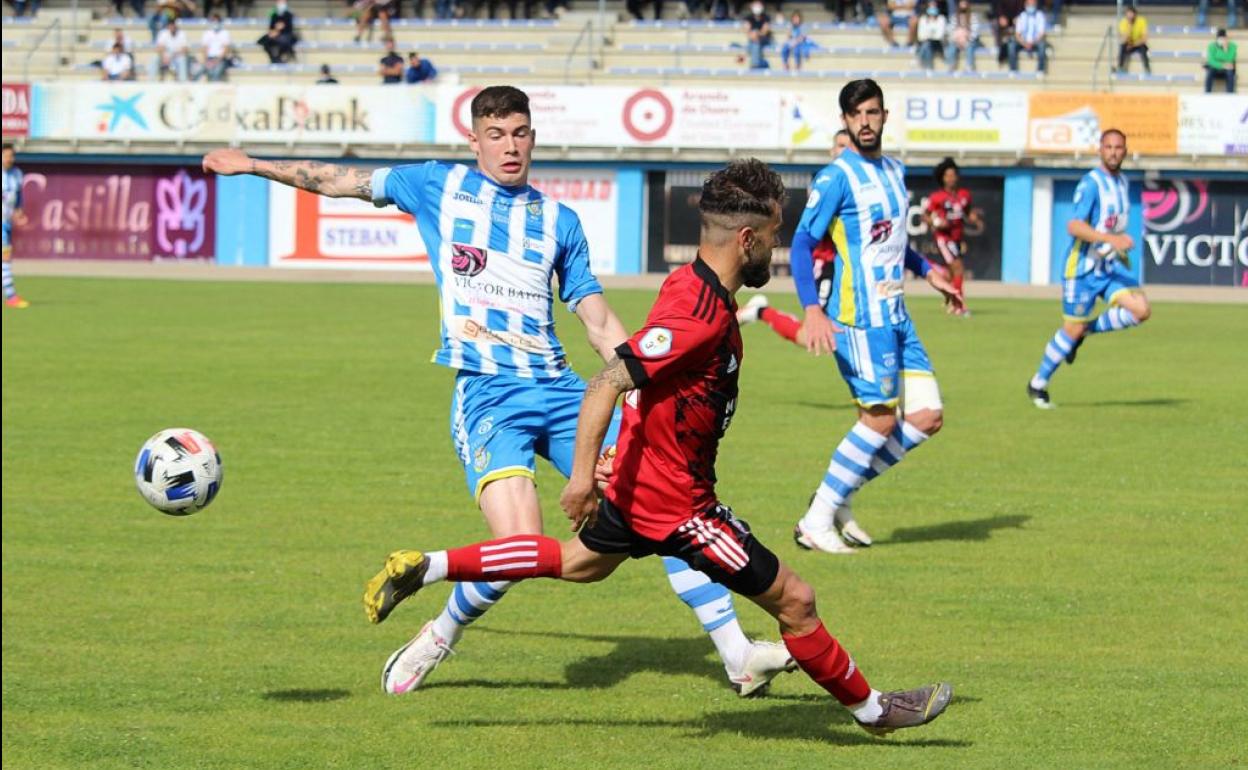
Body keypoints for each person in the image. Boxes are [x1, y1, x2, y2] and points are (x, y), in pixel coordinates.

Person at [202, 86, 795, 698]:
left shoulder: (559, 222)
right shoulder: (436, 186)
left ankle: (736, 654)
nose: (509, 146)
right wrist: (253, 165)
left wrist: (642, 384)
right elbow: (339, 179)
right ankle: (440, 634)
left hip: (561, 390)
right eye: (496, 134)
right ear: (475, 140)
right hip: (489, 396)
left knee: (662, 498)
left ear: (532, 137)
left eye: (519, 133)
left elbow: (596, 320)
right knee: (520, 545)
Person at [360, 158, 954, 737]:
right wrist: (581, 478)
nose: (775, 250)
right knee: (796, 599)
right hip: (678, 509)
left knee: (575, 565)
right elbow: (607, 381)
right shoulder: (700, 317)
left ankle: (431, 564)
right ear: (746, 239)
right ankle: (873, 711)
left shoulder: (688, 282)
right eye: (772, 238)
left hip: (640, 487)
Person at [790, 79, 962, 554]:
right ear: (845, 122)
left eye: (872, 112)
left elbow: (892, 241)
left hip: (898, 314)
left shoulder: (893, 170)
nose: (865, 122)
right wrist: (812, 310)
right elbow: (803, 243)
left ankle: (837, 493)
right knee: (880, 421)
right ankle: (816, 519)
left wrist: (929, 272)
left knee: (927, 416)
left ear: (884, 116)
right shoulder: (836, 177)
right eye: (855, 115)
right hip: (860, 317)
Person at [1027, 129, 1151, 409]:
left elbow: (1110, 225)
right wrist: (1112, 240)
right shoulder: (1091, 184)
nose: (1114, 152)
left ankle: (1086, 331)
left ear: (1125, 150)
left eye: (1119, 147)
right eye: (1108, 147)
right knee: (1071, 329)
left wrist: (1116, 248)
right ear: (1100, 150)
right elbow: (1074, 225)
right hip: (1081, 271)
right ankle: (1038, 384)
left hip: (1107, 268)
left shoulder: (1122, 183)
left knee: (1141, 310)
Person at [738, 130, 852, 345]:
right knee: (815, 337)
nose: (844, 151)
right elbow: (807, 237)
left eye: (848, 146)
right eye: (840, 145)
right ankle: (761, 312)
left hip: (852, 267)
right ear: (832, 150)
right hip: (829, 264)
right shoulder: (829, 182)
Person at [925, 157, 982, 316]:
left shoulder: (964, 195)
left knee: (951, 273)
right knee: (958, 268)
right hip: (944, 238)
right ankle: (959, 305)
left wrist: (974, 219)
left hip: (957, 238)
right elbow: (925, 216)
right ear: (942, 178)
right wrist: (936, 222)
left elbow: (967, 212)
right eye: (947, 175)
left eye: (953, 175)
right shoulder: (937, 197)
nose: (951, 178)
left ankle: (950, 299)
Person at [2, 145, 29, 309]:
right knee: (5, 259)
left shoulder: (17, 174)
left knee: (5, 258)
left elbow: (18, 197)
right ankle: (11, 296)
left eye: (11, 156)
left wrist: (19, 211)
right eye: (6, 155)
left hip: (7, 222)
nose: (9, 159)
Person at [1008, 0, 1047, 73]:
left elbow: (1041, 33)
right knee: (1011, 45)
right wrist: (1025, 43)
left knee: (1042, 46)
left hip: (1035, 41)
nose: (1031, 6)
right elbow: (1017, 34)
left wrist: (1033, 42)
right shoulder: (1021, 16)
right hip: (1023, 42)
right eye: (1029, 4)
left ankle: (1040, 72)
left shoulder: (1040, 15)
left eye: (1033, 4)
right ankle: (1013, 71)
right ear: (1025, 5)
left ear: (1036, 4)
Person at [946, 0, 979, 71]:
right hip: (957, 40)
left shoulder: (973, 16)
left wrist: (967, 39)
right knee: (951, 47)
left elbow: (975, 32)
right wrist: (957, 40)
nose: (963, 5)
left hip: (969, 40)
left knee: (970, 47)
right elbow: (951, 30)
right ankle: (951, 65)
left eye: (965, 3)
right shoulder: (954, 17)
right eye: (962, 3)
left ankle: (969, 66)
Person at [1117, 5, 1150, 75]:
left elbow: (1144, 38)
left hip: (1138, 43)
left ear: (1135, 14)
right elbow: (1123, 39)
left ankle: (1147, 69)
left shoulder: (1141, 21)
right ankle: (1120, 67)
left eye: (1131, 14)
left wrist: (1134, 44)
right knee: (1122, 47)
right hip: (1128, 43)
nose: (1130, 16)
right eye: (1128, 14)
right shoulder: (1123, 22)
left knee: (1143, 48)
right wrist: (1129, 27)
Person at [201, 13, 233, 81]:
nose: (215, 23)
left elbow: (226, 49)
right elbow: (204, 48)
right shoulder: (207, 33)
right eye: (214, 21)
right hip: (209, 58)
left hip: (221, 59)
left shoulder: (225, 33)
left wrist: (217, 60)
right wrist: (207, 60)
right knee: (202, 70)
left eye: (217, 21)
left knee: (216, 72)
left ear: (220, 22)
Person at [915, 0, 947, 69]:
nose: (932, 7)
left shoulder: (941, 19)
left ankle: (922, 63)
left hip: (937, 44)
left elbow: (939, 36)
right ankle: (928, 67)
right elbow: (920, 36)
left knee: (927, 44)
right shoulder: (923, 19)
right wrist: (931, 36)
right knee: (927, 45)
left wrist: (928, 36)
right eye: (931, 5)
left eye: (934, 5)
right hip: (924, 42)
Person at [1205, 28, 1237, 92]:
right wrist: (1222, 65)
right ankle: (1207, 93)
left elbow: (1230, 59)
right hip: (1216, 67)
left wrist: (1225, 49)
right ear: (1217, 39)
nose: (1222, 40)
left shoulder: (1233, 46)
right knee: (1209, 73)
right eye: (1220, 39)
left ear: (1226, 39)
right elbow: (1211, 61)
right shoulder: (1212, 46)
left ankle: (1230, 94)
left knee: (1230, 73)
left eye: (1224, 38)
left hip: (1227, 67)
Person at [743, 2, 772, 70]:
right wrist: (752, 35)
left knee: (755, 43)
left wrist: (756, 33)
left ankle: (754, 65)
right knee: (755, 43)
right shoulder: (748, 17)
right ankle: (757, 64)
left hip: (764, 39)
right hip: (753, 39)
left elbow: (764, 32)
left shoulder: (766, 17)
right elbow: (747, 30)